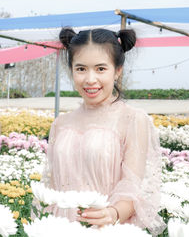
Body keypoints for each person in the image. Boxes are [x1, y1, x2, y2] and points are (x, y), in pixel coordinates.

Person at [45, 27, 164, 235]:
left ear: (117, 70)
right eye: (81, 69)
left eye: (101, 69)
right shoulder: (60, 124)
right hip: (62, 228)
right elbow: (54, 188)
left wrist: (113, 213)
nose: (90, 79)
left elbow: (133, 186)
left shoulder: (133, 119)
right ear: (71, 69)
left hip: (108, 228)